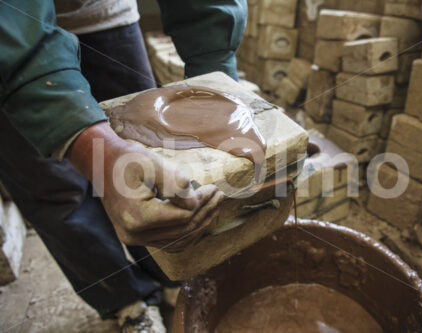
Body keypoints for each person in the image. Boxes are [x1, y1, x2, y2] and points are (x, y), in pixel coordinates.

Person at [0, 0, 247, 331]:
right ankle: (126, 301)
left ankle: (174, 280)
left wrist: (214, 72)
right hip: (9, 41)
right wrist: (93, 151)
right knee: (55, 189)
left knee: (154, 160)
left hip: (101, 16)